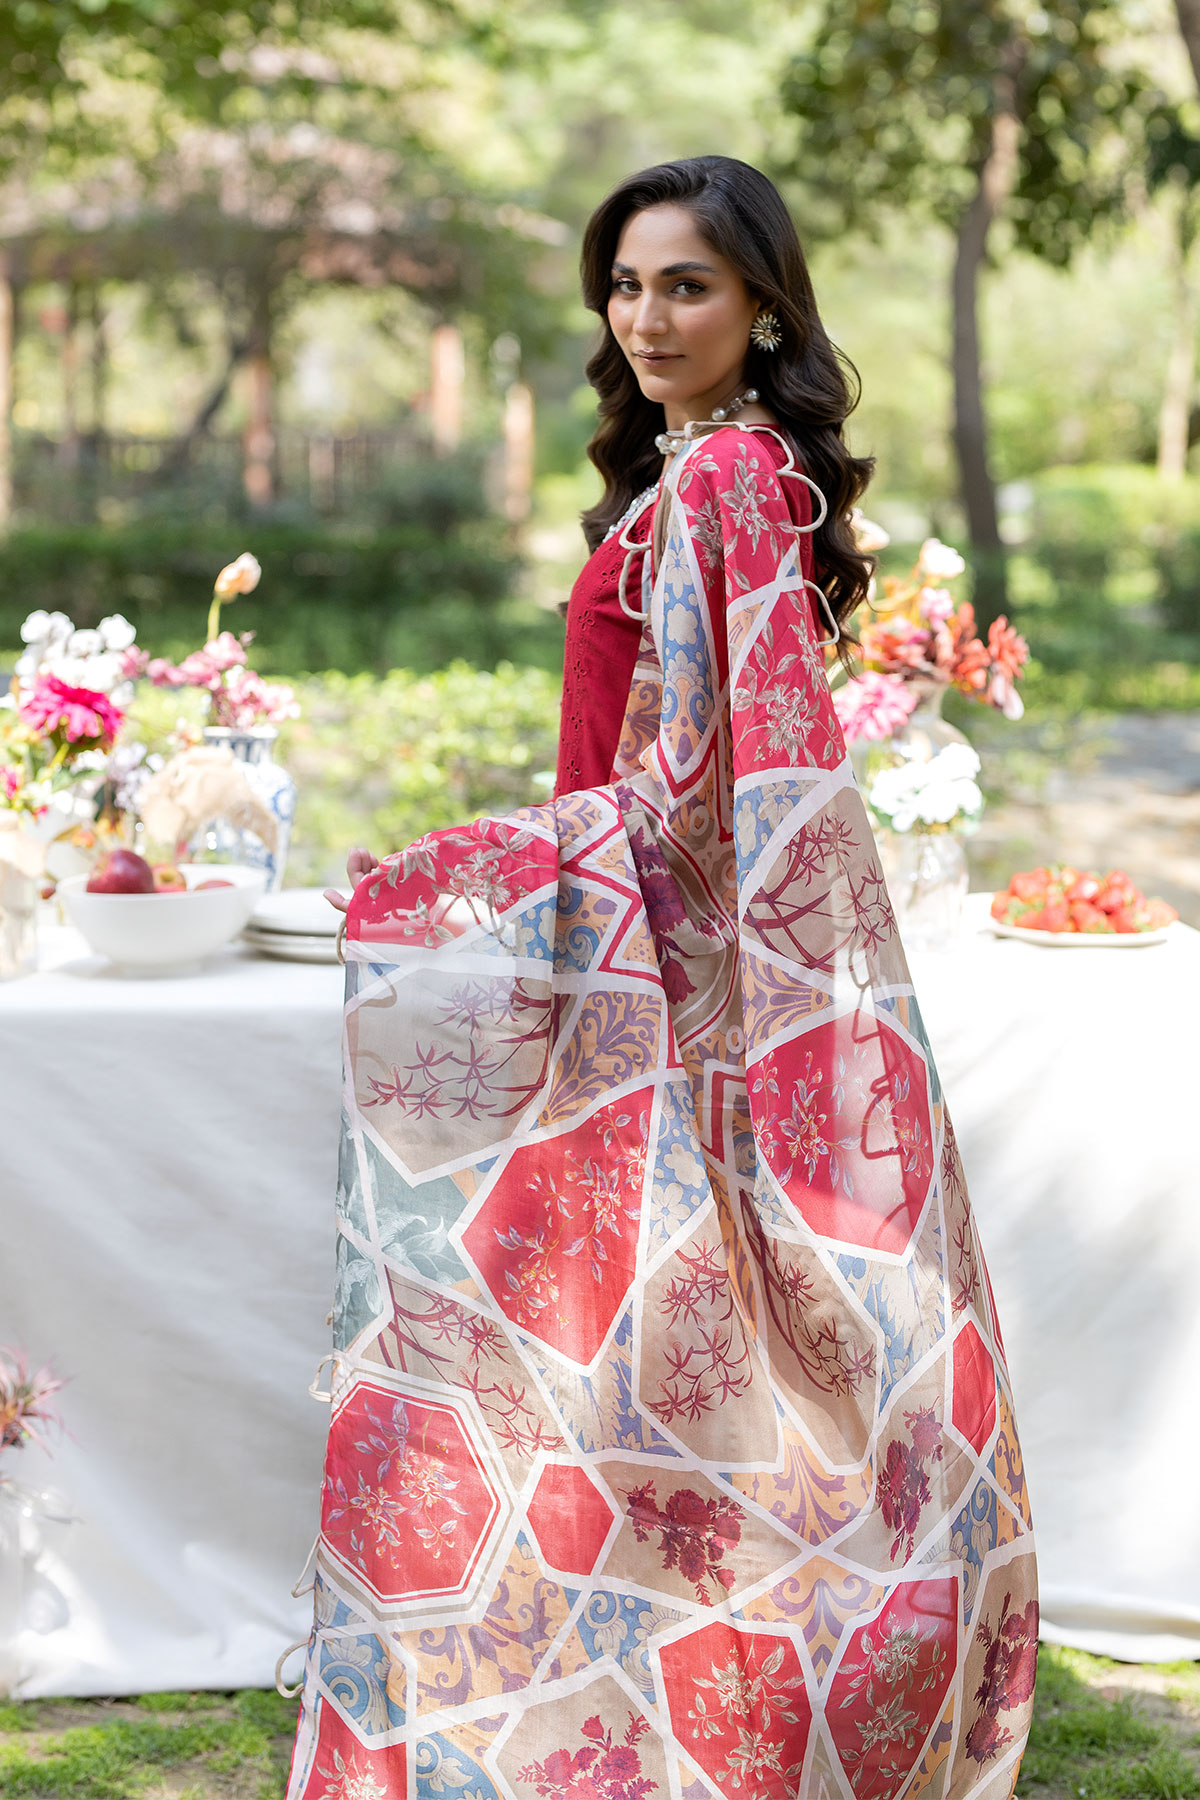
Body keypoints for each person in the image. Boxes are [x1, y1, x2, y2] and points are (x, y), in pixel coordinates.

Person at [298, 156, 1036, 1800]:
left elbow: (713, 789)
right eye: (625, 285)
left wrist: (470, 875)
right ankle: (666, 1699)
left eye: (687, 285)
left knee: (686, 1354)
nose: (645, 317)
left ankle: (727, 1701)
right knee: (638, 1352)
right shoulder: (700, 471)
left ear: (764, 304)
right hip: (621, 945)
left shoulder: (729, 483)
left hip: (668, 972)